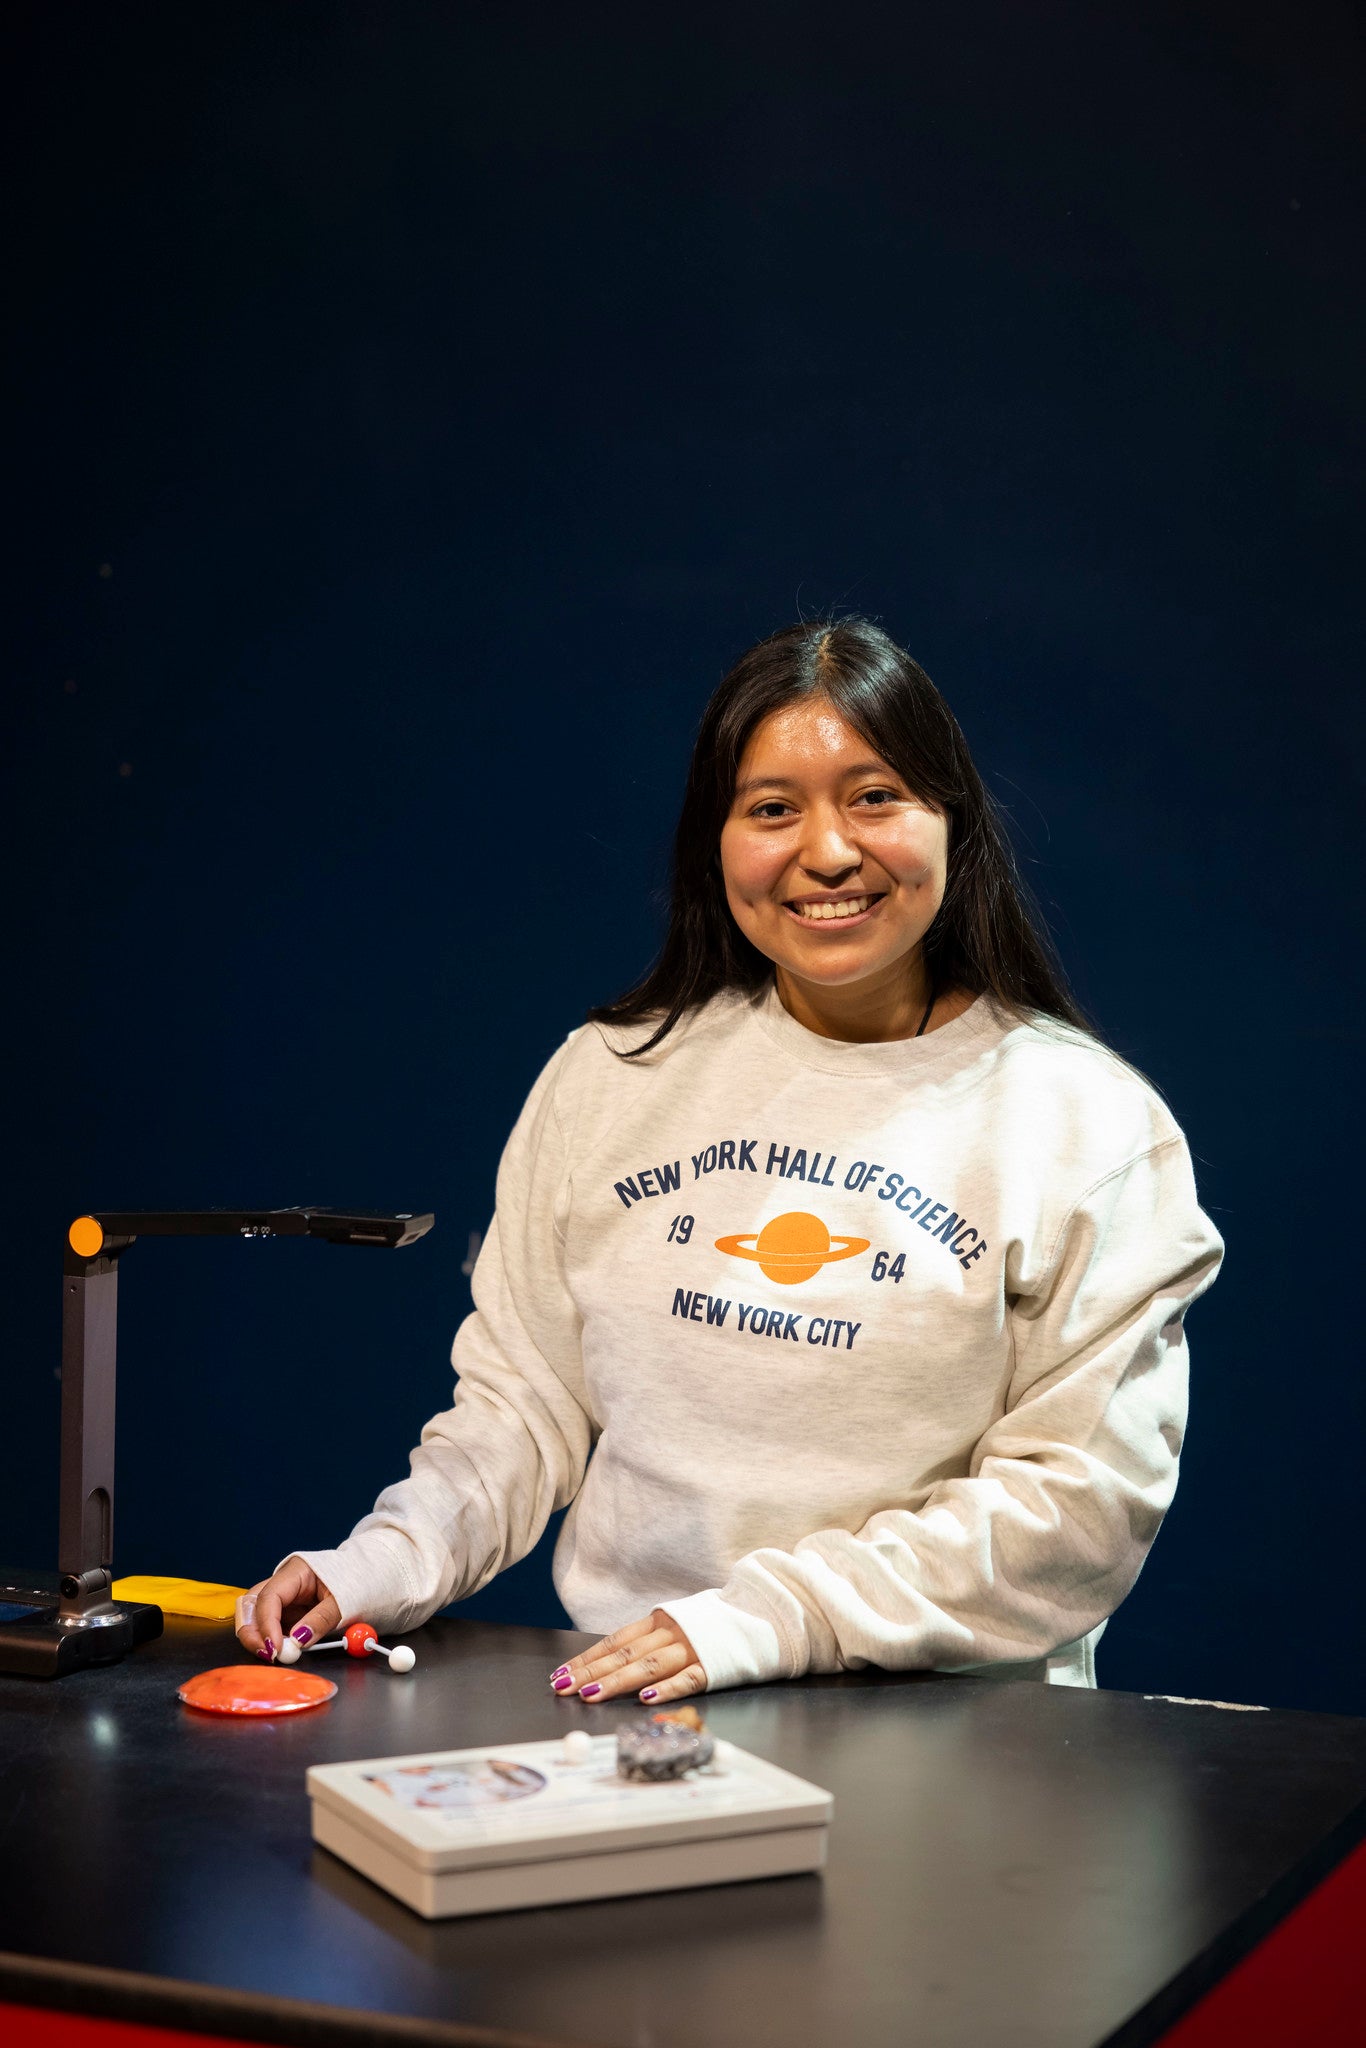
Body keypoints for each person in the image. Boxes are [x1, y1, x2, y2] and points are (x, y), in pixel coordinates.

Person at [239, 618, 1223, 1703]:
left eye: (875, 795)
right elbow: (526, 1402)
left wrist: (762, 1618)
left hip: (952, 1731)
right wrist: (379, 1562)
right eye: (771, 808)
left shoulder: (1087, 1124)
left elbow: (1075, 1513)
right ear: (716, 841)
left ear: (955, 822)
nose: (829, 850)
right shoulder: (610, 1074)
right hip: (634, 1709)